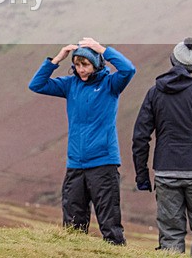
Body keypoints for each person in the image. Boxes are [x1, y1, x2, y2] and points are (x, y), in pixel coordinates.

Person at [29, 37, 136, 245]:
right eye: (77, 65)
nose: (81, 70)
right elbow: (36, 85)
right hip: (76, 164)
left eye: (85, 64)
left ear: (96, 64)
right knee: (72, 226)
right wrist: (57, 59)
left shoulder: (110, 84)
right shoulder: (70, 85)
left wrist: (102, 50)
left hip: (103, 162)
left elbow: (128, 70)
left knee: (110, 224)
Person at [132, 38, 192, 256]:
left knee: (171, 231)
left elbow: (140, 137)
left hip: (166, 171)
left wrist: (142, 175)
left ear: (172, 60)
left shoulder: (154, 93)